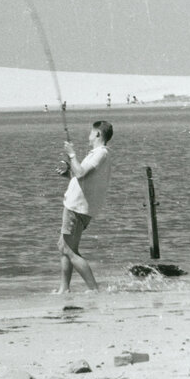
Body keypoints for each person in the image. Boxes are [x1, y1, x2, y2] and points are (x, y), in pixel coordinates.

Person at [56, 120, 114, 293]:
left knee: (66, 248)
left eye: (91, 133)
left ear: (98, 134)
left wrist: (72, 155)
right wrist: (69, 175)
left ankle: (94, 289)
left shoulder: (101, 153)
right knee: (66, 247)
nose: (88, 136)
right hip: (78, 206)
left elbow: (80, 172)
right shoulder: (99, 154)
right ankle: (64, 289)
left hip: (77, 208)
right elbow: (84, 179)